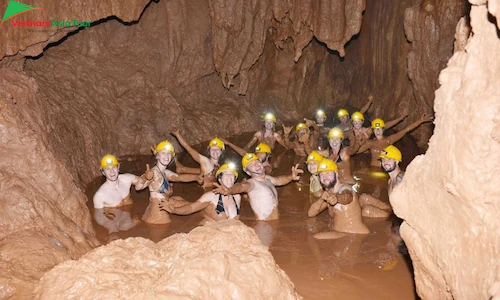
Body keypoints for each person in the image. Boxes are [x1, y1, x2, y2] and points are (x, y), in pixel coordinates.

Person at [213, 153, 303, 221]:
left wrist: (291, 177)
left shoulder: (267, 179)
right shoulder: (252, 183)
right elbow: (241, 186)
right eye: (251, 165)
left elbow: (279, 180)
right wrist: (229, 190)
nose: (256, 165)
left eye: (256, 162)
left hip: (274, 223)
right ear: (248, 172)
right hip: (265, 226)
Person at [141, 140, 201, 224]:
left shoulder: (165, 172)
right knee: (166, 229)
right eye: (163, 153)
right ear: (157, 156)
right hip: (159, 213)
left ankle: (200, 208)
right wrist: (145, 178)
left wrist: (196, 177)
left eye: (169, 153)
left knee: (180, 199)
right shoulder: (153, 173)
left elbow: (180, 177)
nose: (167, 156)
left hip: (161, 204)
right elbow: (138, 187)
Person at [93, 154, 151, 240]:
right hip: (113, 221)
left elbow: (141, 185)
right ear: (102, 172)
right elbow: (99, 217)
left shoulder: (127, 178)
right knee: (113, 237)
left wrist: (146, 178)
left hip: (130, 219)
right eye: (107, 169)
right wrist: (112, 226)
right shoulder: (100, 195)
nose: (112, 172)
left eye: (114, 167)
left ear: (118, 167)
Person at [161, 163, 241, 225]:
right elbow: (191, 208)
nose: (229, 177)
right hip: (208, 232)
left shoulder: (237, 197)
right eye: (226, 174)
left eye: (232, 175)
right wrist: (174, 210)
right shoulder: (211, 196)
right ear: (220, 179)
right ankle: (174, 202)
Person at [356, 114, 433, 167]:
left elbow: (405, 130)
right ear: (373, 131)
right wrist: (361, 140)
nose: (378, 131)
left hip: (385, 170)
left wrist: (420, 120)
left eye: (379, 129)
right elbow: (356, 151)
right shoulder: (370, 143)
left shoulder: (389, 140)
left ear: (383, 130)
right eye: (376, 130)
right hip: (372, 169)